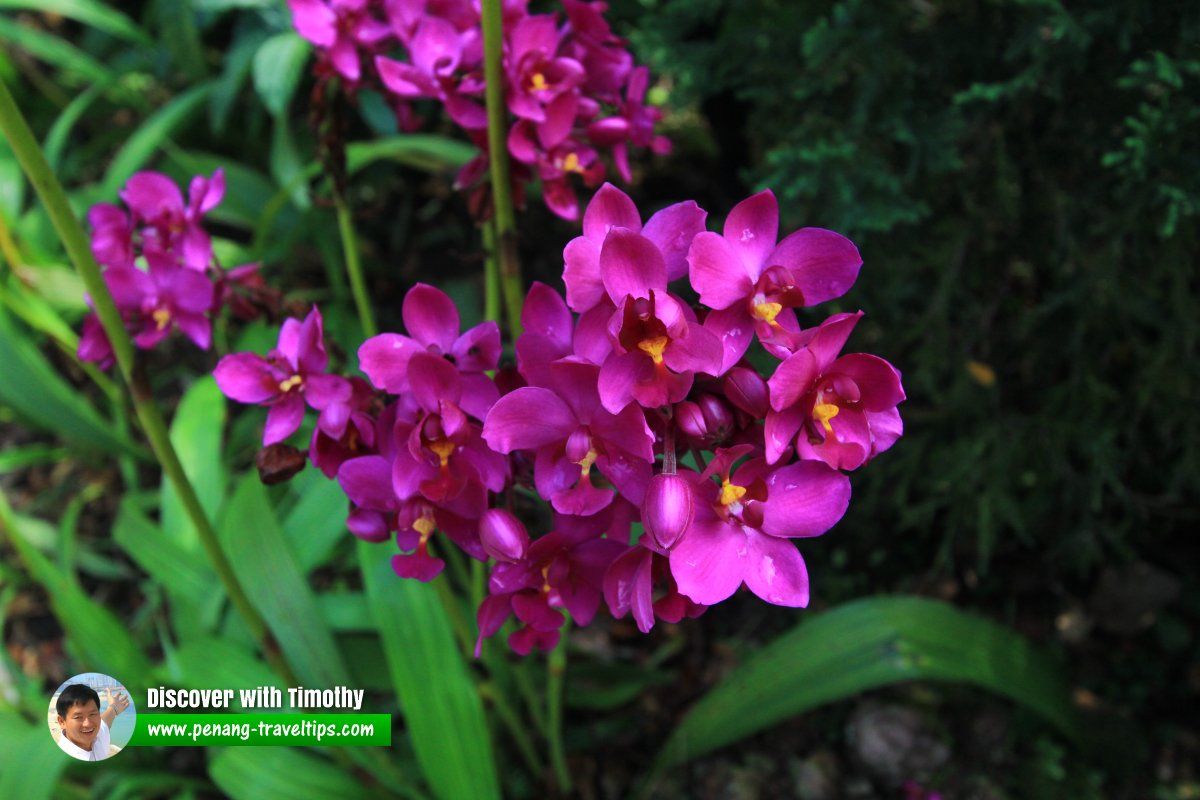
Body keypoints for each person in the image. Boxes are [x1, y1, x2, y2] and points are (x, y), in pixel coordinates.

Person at [54, 684, 130, 761]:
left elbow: (105, 721)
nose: (88, 724)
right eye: (78, 717)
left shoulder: (98, 736)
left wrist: (114, 707)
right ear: (62, 722)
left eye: (92, 714)